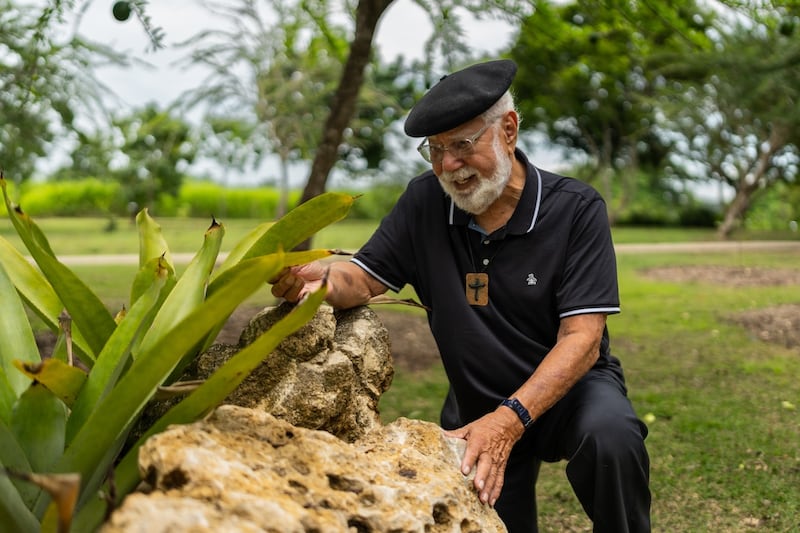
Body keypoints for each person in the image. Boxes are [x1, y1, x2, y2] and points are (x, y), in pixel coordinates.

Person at [271, 59, 651, 533]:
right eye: (435, 150)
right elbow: (365, 278)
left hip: (572, 394)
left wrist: (510, 419)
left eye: (463, 145)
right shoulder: (424, 202)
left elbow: (583, 338)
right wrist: (318, 284)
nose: (449, 165)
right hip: (476, 403)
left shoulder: (575, 209)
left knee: (612, 438)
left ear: (508, 130)